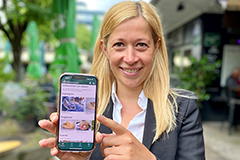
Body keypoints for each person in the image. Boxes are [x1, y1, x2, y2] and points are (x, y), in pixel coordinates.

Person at [38, 1, 205, 159]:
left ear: (156, 48)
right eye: (119, 44)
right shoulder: (88, 110)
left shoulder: (183, 108)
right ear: (105, 48)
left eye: (141, 45)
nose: (130, 58)